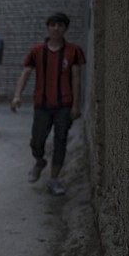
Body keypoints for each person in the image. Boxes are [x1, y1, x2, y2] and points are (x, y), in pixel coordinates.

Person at [11, 12, 84, 196]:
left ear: (66, 28)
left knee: (60, 140)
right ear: (48, 27)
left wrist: (76, 105)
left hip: (64, 105)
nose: (56, 28)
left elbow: (76, 79)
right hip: (42, 105)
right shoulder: (37, 51)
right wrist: (17, 95)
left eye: (60, 25)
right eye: (53, 25)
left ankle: (53, 179)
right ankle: (40, 161)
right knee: (37, 140)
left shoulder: (73, 51)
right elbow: (26, 73)